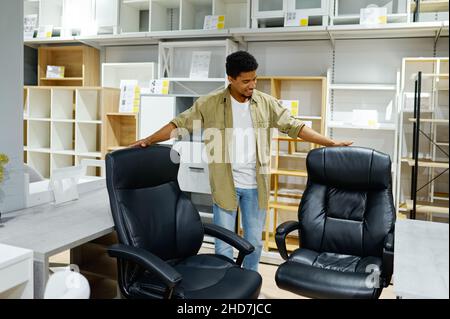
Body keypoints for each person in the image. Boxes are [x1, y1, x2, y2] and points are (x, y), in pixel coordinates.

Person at [130, 51, 352, 272]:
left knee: (254, 243)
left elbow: (296, 127)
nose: (252, 85)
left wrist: (329, 142)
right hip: (225, 184)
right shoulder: (210, 103)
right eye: (246, 80)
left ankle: (250, 283)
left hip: (256, 186)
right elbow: (178, 124)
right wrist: (149, 139)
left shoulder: (266, 103)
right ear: (231, 79)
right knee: (223, 244)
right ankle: (223, 283)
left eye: (254, 79)